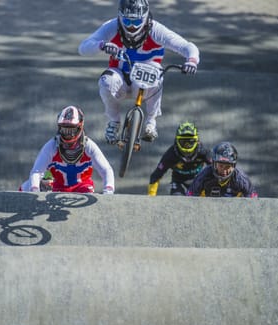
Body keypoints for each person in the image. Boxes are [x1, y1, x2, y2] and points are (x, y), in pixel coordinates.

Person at [78, 0, 200, 144]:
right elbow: (83, 48)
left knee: (157, 73)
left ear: (145, 17)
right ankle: (114, 122)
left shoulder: (156, 30)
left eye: (136, 22)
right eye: (127, 21)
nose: (131, 26)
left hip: (146, 81)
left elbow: (187, 46)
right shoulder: (112, 26)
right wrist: (101, 45)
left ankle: (151, 122)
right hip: (120, 77)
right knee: (106, 81)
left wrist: (191, 61)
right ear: (120, 16)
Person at [19, 105, 115, 194]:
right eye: (64, 130)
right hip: (57, 186)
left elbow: (106, 170)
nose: (67, 134)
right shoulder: (51, 146)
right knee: (25, 187)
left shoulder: (89, 146)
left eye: (71, 130)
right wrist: (35, 191)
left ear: (80, 127)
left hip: (83, 186)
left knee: (87, 196)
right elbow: (36, 172)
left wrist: (108, 191)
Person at [148, 121, 212, 196]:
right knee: (177, 200)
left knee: (204, 200)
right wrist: (151, 196)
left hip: (199, 181)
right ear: (176, 141)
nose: (187, 145)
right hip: (178, 182)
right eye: (183, 142)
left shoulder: (204, 152)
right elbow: (156, 175)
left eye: (190, 141)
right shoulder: (171, 154)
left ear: (197, 141)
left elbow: (216, 169)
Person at [187, 141, 258, 198]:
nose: (224, 170)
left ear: (233, 166)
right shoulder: (203, 176)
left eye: (227, 166)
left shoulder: (242, 180)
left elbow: (253, 201)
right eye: (221, 166)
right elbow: (189, 198)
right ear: (214, 164)